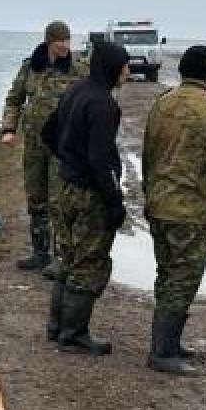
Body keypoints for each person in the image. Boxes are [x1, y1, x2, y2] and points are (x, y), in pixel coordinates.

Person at [139, 45, 206, 375]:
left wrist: (148, 193)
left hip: (159, 205)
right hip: (188, 211)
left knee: (167, 272)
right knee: (183, 277)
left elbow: (148, 153)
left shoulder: (162, 103)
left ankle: (169, 344)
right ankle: (163, 352)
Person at [40, 41, 130, 354]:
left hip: (64, 188)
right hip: (88, 194)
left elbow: (47, 133)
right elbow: (100, 159)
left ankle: (56, 326)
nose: (128, 72)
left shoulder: (75, 91)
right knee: (89, 262)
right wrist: (114, 202)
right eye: (125, 66)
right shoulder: (103, 104)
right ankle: (73, 333)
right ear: (112, 67)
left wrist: (67, 159)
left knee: (68, 257)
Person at [0, 20, 90, 275]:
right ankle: (40, 253)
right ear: (49, 41)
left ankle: (62, 258)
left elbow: (94, 99)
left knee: (58, 201)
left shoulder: (79, 69)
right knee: (36, 197)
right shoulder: (31, 67)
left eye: (67, 40)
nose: (64, 45)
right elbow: (14, 99)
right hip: (34, 145)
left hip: (64, 147)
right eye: (59, 40)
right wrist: (8, 129)